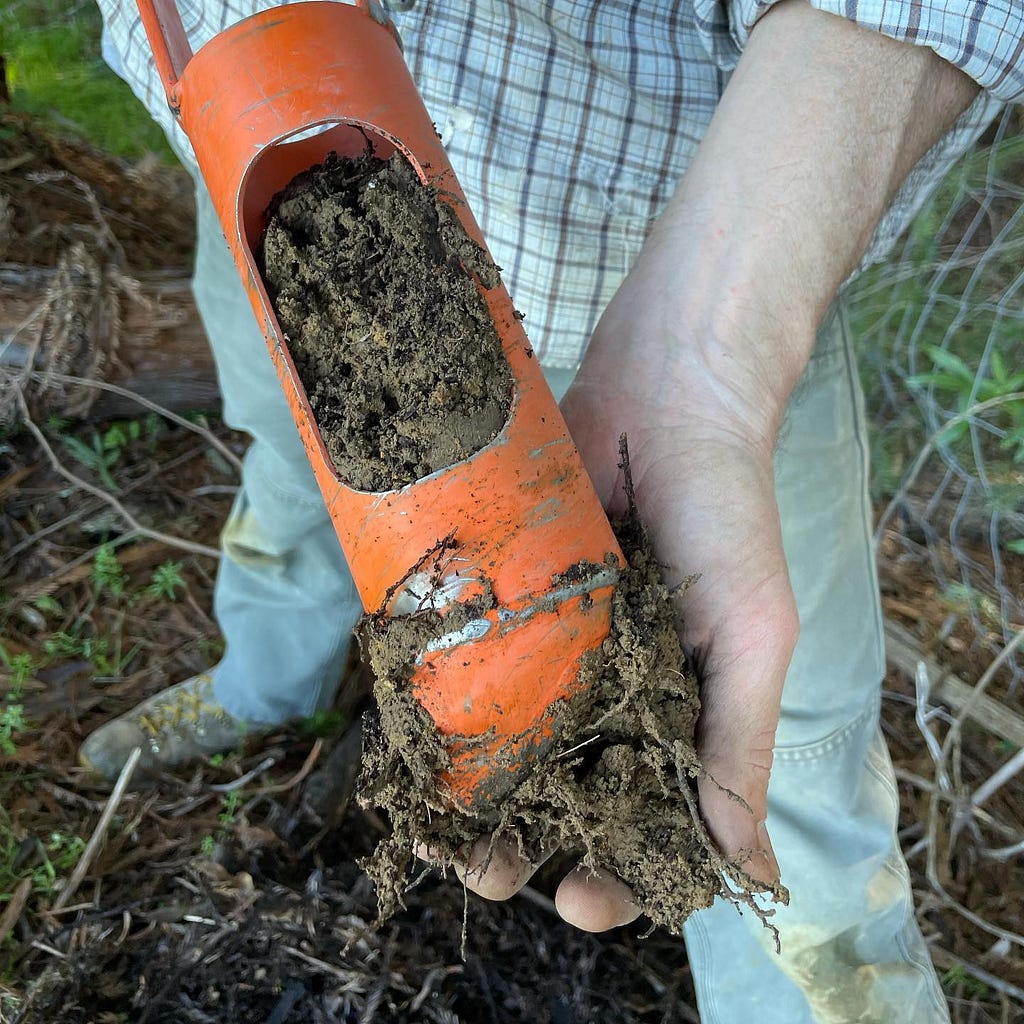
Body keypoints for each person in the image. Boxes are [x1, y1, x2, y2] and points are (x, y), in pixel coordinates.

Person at [83, 1, 1020, 1020]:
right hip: (250, 160)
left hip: (676, 247)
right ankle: (263, 683)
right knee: (287, 460)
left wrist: (708, 363)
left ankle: (815, 983)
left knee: (770, 742)